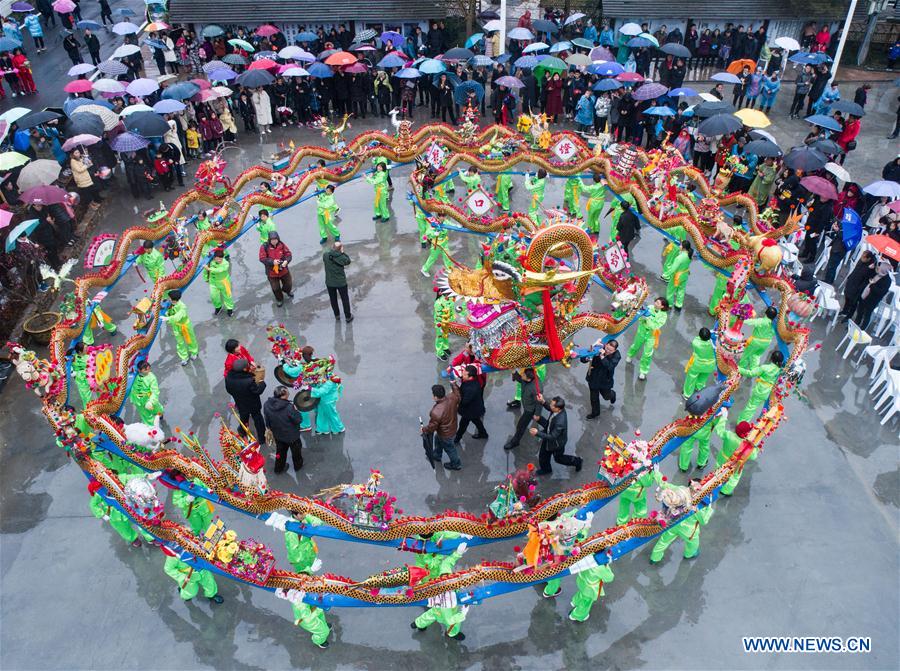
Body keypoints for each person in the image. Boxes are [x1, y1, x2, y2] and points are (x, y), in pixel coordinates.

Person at [530, 395, 582, 475]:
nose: (550, 406)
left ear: (558, 409)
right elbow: (550, 412)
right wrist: (543, 401)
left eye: (552, 405)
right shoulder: (558, 410)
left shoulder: (560, 422)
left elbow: (552, 437)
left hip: (556, 443)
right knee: (543, 456)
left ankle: (577, 461)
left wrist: (537, 433)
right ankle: (546, 469)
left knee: (559, 459)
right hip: (549, 437)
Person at [649, 499, 714, 563]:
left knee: (664, 541)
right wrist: (709, 510)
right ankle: (689, 554)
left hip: (673, 524)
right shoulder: (700, 505)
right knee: (693, 542)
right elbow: (703, 521)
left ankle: (655, 557)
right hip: (688, 530)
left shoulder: (682, 495)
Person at [626, 296, 670, 381]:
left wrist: (648, 319)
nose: (655, 303)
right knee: (635, 345)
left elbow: (655, 326)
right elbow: (640, 318)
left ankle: (643, 371)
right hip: (641, 331)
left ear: (662, 306)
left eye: (658, 303)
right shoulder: (649, 307)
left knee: (647, 354)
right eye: (655, 302)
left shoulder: (663, 316)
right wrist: (643, 317)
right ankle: (630, 355)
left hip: (651, 336)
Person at [263, 386, 305, 472]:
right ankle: (298, 466)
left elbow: (267, 418)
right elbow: (298, 420)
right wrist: (296, 411)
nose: (289, 393)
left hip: (278, 434)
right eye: (287, 392)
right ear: (284, 395)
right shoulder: (289, 407)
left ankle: (278, 468)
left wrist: (270, 428)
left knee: (280, 452)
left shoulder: (267, 404)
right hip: (292, 436)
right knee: (296, 452)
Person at [422, 383, 462, 470]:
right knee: (438, 439)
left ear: (436, 397)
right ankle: (437, 454)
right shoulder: (452, 398)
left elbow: (432, 426)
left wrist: (424, 429)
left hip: (445, 433)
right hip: (452, 428)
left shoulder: (436, 411)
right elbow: (457, 394)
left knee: (450, 449)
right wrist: (453, 384)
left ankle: (456, 464)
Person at [225, 358, 267, 441]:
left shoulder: (228, 377)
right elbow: (258, 391)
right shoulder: (249, 381)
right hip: (253, 404)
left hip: (240, 403)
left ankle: (242, 431)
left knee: (244, 417)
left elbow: (229, 390)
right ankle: (262, 437)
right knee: (258, 419)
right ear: (244, 369)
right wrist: (262, 382)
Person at [737, 350, 784, 423]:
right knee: (753, 408)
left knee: (750, 408)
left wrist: (738, 369)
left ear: (771, 358)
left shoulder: (765, 368)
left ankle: (741, 423)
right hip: (767, 392)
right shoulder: (779, 370)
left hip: (759, 390)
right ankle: (743, 422)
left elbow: (751, 373)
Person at [581, 339, 620, 418]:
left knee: (606, 396)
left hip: (605, 381)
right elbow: (583, 359)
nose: (608, 351)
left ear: (615, 350)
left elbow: (610, 367)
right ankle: (595, 413)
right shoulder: (597, 348)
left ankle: (612, 395)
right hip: (593, 377)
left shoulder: (617, 356)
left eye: (610, 350)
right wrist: (588, 357)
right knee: (594, 398)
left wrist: (602, 357)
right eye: (607, 348)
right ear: (605, 345)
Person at [503, 367, 540, 451]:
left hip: (530, 410)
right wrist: (513, 371)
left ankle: (515, 442)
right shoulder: (527, 379)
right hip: (527, 405)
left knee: (521, 426)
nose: (521, 374)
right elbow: (520, 379)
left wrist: (537, 413)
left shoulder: (536, 389)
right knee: (542, 421)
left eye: (523, 374)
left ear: (528, 379)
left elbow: (539, 403)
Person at [161, 289, 198, 366]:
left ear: (173, 299)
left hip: (185, 326)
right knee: (180, 342)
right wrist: (166, 314)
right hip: (176, 326)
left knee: (190, 339)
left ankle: (194, 352)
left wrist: (168, 318)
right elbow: (169, 313)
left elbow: (177, 317)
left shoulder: (182, 307)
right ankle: (184, 357)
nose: (168, 299)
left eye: (169, 298)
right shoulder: (171, 304)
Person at [838, 250, 877, 322]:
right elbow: (856, 269)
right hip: (852, 281)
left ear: (868, 259)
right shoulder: (861, 261)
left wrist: (869, 268)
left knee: (853, 302)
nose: (862, 258)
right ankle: (845, 310)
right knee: (847, 297)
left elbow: (867, 276)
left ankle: (849, 316)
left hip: (858, 286)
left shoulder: (872, 267)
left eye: (864, 257)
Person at [854, 260, 892, 330]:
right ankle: (856, 323)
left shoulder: (887, 280)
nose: (879, 267)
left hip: (872, 300)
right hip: (865, 294)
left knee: (867, 315)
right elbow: (867, 276)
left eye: (880, 267)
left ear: (884, 269)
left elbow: (881, 292)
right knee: (860, 310)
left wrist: (872, 285)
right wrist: (870, 268)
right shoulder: (877, 273)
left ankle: (862, 329)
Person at [454, 365, 488, 444]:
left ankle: (457, 439)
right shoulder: (473, 382)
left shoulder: (470, 389)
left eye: (465, 374)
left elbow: (464, 401)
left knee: (463, 425)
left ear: (470, 377)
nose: (462, 375)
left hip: (469, 411)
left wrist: (456, 399)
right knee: (476, 421)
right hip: (475, 409)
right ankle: (483, 433)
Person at [259, 231, 294, 307]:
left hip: (283, 270)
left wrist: (286, 261)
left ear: (278, 239)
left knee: (288, 284)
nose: (274, 241)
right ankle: (279, 299)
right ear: (269, 240)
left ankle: (287, 291)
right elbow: (262, 258)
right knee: (275, 288)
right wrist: (272, 262)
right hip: (272, 273)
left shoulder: (282, 245)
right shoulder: (264, 247)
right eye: (272, 240)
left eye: (275, 239)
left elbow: (289, 254)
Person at [323, 241, 353, 322]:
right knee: (345, 299)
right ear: (340, 248)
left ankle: (337, 315)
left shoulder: (325, 255)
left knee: (333, 299)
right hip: (341, 283)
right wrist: (342, 253)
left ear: (333, 247)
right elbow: (348, 261)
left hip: (330, 283)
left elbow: (328, 255)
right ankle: (348, 316)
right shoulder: (342, 257)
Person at [683, 327, 717, 399]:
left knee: (691, 378)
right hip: (710, 365)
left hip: (697, 364)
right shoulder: (714, 343)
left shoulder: (696, 342)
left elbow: (698, 338)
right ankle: (699, 387)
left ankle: (687, 394)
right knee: (703, 377)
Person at [129, 360, 163, 424]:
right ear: (139, 370)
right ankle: (151, 427)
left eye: (149, 368)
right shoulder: (135, 374)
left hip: (148, 398)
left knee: (156, 409)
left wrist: (151, 402)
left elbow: (155, 391)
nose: (148, 371)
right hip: (138, 401)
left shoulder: (152, 378)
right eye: (145, 370)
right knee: (145, 415)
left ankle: (160, 415)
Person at [204, 248, 233, 317]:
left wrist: (210, 269)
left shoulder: (225, 263)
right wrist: (206, 278)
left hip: (224, 282)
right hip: (213, 282)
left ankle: (230, 309)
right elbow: (205, 271)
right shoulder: (210, 262)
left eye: (221, 258)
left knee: (227, 296)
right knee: (213, 296)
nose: (219, 260)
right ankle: (218, 307)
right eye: (217, 259)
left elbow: (220, 270)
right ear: (214, 258)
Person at [665, 240, 693, 310]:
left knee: (670, 290)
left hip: (677, 276)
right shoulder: (689, 255)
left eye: (680, 245)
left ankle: (669, 304)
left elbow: (673, 269)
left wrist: (666, 275)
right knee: (681, 290)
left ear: (683, 247)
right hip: (685, 274)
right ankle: (678, 305)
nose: (679, 246)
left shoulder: (679, 258)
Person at [433, 291, 454, 360]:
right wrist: (445, 321)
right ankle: (439, 352)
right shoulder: (438, 303)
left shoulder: (450, 299)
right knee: (440, 338)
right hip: (440, 323)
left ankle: (445, 348)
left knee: (446, 335)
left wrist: (452, 319)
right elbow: (438, 316)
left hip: (447, 322)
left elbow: (451, 310)